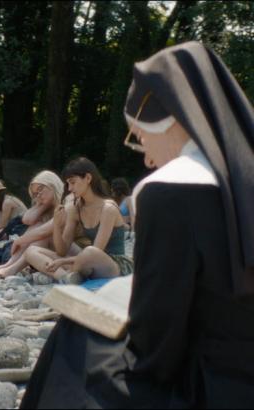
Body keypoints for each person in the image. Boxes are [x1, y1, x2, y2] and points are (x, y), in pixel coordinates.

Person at [22, 41, 254, 408]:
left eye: (140, 137)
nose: (146, 157)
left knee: (75, 333)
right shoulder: (240, 178)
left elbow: (156, 342)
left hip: (213, 385)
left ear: (170, 118)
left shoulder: (171, 188)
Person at [23, 158, 133, 284]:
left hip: (115, 265)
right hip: (86, 261)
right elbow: (62, 250)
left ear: (88, 178)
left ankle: (70, 273)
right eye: (68, 184)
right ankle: (66, 277)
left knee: (90, 252)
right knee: (31, 251)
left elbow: (97, 251)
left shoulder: (108, 208)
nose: (69, 188)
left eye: (73, 182)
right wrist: (57, 226)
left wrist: (63, 261)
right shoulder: (75, 208)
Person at [0, 170, 73, 280]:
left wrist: (19, 240)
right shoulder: (48, 207)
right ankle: (10, 265)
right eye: (35, 194)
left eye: (40, 189)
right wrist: (42, 204)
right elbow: (28, 219)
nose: (39, 195)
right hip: (57, 252)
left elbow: (45, 230)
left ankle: (12, 267)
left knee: (42, 234)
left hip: (74, 254)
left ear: (52, 184)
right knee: (37, 226)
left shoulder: (68, 202)